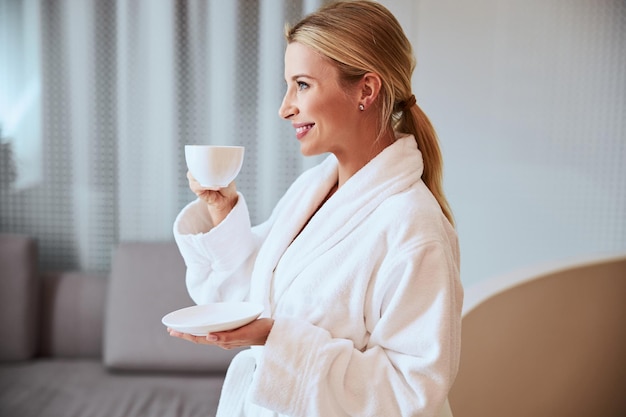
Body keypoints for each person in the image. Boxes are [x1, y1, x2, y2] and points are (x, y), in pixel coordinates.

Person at [169, 1, 463, 416]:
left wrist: (277, 341)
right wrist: (223, 209)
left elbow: (411, 392)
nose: (284, 107)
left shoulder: (413, 226)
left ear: (366, 89)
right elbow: (256, 295)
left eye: (302, 85)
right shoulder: (313, 189)